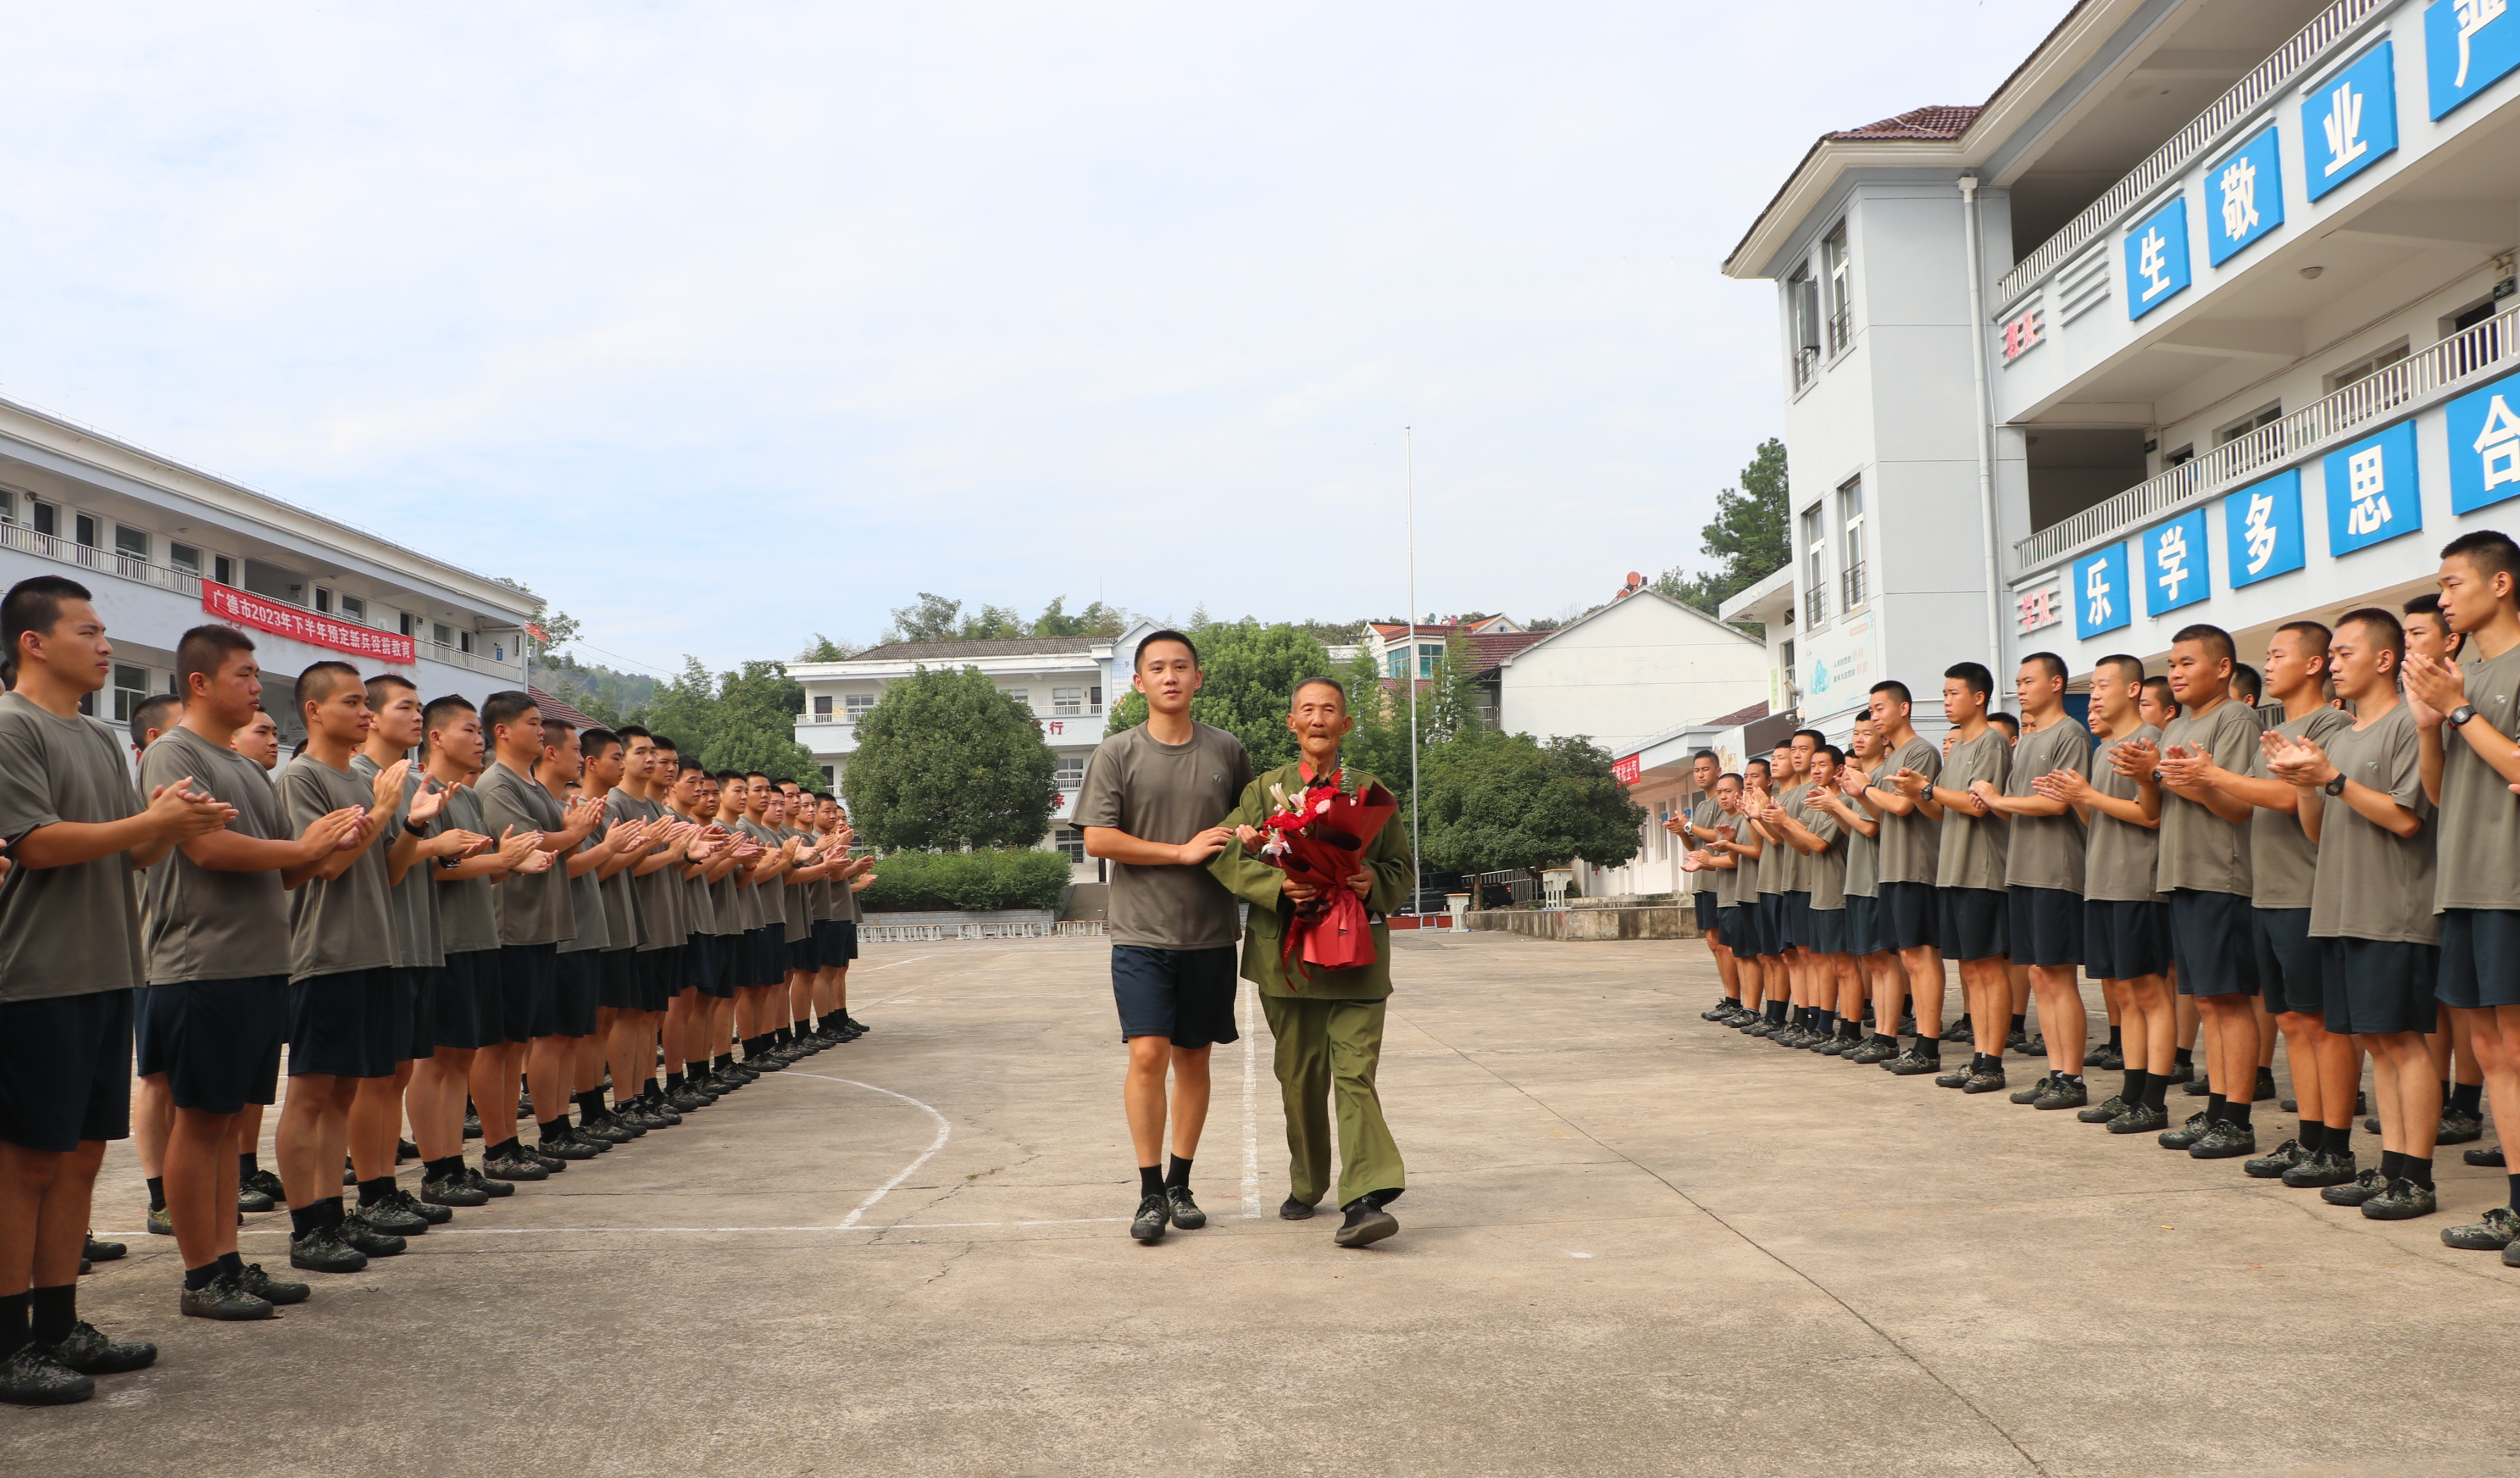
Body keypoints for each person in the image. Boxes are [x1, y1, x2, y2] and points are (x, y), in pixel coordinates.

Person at [0, 578, 232, 1403]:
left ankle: (60, 1323)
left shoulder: (100, 739)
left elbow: (128, 853)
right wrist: (150, 825)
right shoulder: (12, 726)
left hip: (106, 969)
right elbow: (34, 844)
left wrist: (168, 825)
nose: (105, 646)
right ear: (33, 642)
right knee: (26, 1161)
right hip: (37, 975)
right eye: (88, 631)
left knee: (81, 1158)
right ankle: (10, 1341)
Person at [141, 627, 354, 1320]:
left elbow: (286, 871)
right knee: (201, 1123)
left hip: (260, 964)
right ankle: (201, 1274)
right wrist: (303, 845)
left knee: (229, 1125)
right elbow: (206, 849)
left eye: (258, 675)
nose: (258, 687)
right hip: (204, 965)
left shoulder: (247, 769)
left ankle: (229, 1261)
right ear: (200, 683)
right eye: (244, 674)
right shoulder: (174, 752)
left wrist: (325, 846)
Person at [1211, 676, 1412, 1247]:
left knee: (1354, 1076)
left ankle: (1365, 1198)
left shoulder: (1370, 793)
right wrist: (1275, 884)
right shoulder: (1265, 791)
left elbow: (1401, 870)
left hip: (1357, 962)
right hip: (1288, 962)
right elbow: (1221, 849)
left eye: (1329, 710)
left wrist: (1372, 880)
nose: (1318, 718)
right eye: (1307, 710)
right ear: (1292, 723)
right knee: (1299, 1081)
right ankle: (1308, 1181)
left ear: (1345, 725)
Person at [1075, 630, 1254, 1244]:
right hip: (1140, 932)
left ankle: (1181, 1184)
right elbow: (1098, 838)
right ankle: (1149, 1192)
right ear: (1138, 682)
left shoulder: (1227, 750)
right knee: (1148, 1054)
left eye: (1181, 666)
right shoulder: (1116, 753)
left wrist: (1251, 839)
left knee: (1194, 1057)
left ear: (1198, 678)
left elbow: (1249, 825)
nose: (1170, 676)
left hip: (1209, 931)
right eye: (1157, 668)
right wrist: (1180, 852)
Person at [2162, 625, 2356, 1182]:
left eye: (2277, 655)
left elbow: (2292, 797)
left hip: (2305, 889)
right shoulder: (2275, 729)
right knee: (2292, 1021)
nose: (2267, 665)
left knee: (2320, 1024)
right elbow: (2243, 801)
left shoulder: (2329, 724)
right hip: (2268, 891)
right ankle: (2308, 1138)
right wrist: (2201, 779)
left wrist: (2212, 775)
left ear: (2314, 664)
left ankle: (2333, 1146)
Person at [2269, 608, 2437, 1220]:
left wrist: (2332, 778)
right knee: (2377, 1042)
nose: (2335, 664)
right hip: (2340, 908)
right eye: (2333, 654)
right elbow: (2317, 831)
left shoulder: (2406, 724)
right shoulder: (2340, 736)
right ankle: (2391, 1165)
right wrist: (2305, 781)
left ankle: (2416, 1176)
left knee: (2404, 1042)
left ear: (2385, 659)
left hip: (2392, 910)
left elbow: (2406, 818)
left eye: (2345, 653)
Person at [275, 660, 437, 1269]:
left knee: (343, 1093)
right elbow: (325, 865)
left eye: (367, 702)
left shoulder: (361, 782)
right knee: (311, 1094)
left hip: (373, 950)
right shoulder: (302, 778)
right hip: (327, 952)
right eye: (352, 702)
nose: (365, 712)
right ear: (314, 711)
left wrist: (409, 823)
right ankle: (306, 1228)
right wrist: (384, 808)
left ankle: (332, 1214)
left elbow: (387, 872)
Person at [2403, 531, 2520, 1261]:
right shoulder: (2461, 677)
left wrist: (2458, 711)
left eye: (2453, 584)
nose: (2443, 600)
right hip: (2466, 882)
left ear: (2500, 583)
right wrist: (2429, 726)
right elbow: (2444, 794)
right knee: (2490, 1048)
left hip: (2511, 882)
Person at [347, 675, 484, 1238]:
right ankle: (373, 1191)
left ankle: (390, 1184)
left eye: (419, 708)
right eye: (405, 707)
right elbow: (384, 864)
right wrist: (430, 841)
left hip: (418, 940)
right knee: (375, 1077)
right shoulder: (359, 777)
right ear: (373, 718)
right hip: (382, 944)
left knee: (399, 1071)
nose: (417, 717)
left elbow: (417, 858)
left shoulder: (413, 782)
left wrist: (437, 844)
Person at [2140, 625, 2267, 1159]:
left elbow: (2236, 803)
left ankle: (2237, 1118)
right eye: (2172, 663)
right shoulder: (2176, 727)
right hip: (2182, 874)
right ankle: (2217, 1107)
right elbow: (2154, 810)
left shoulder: (2235, 717)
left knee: (2229, 1000)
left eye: (2188, 662)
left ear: (2222, 668)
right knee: (2208, 1002)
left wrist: (2164, 775)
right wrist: (2148, 776)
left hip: (2221, 874)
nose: (2176, 672)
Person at [2035, 654, 2173, 1134]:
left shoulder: (2151, 741)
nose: (2093, 695)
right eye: (2092, 687)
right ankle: (2132, 1091)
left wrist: (2088, 796)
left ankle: (2154, 1099)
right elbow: (2097, 819)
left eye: (2102, 685)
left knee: (2150, 993)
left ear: (2133, 689)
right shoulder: (2104, 748)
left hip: (2138, 882)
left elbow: (2150, 816)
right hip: (2103, 880)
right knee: (2124, 992)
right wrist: (2077, 797)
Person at [474, 692, 602, 1173]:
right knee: (502, 1046)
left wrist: (571, 832)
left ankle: (512, 1140)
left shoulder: (529, 784)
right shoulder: (497, 784)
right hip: (514, 927)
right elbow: (528, 841)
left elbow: (555, 840)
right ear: (503, 731)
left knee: (519, 1045)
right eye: (532, 723)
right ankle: (498, 1147)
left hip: (542, 926)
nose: (541, 731)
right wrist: (575, 833)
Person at [419, 694, 540, 1197]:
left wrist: (507, 863)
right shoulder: (420, 790)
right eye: (469, 730)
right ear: (436, 737)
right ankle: (436, 1170)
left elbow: (473, 869)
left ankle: (453, 1162)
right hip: (443, 939)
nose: (479, 739)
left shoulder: (466, 797)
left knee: (460, 1059)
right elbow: (434, 864)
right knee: (437, 1062)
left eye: (479, 731)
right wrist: (502, 861)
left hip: (476, 937)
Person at [1980, 654, 2090, 1109]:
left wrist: (1997, 800)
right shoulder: (2027, 741)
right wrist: (1999, 801)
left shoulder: (2069, 734)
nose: (2021, 689)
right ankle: (2056, 1072)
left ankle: (2073, 1077)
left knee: (2058, 975)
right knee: (2039, 975)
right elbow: (2021, 803)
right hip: (2023, 870)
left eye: (2029, 681)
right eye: (2018, 682)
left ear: (2057, 683)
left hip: (2055, 870)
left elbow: (2058, 804)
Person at [1922, 664, 2012, 1092]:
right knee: (1971, 971)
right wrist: (1918, 791)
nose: (1946, 701)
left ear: (1978, 697)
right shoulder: (1957, 748)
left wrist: (1928, 790)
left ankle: (1993, 1061)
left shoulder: (1991, 741)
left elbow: (1978, 804)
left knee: (1989, 969)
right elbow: (1940, 808)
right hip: (1953, 869)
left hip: (1981, 870)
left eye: (1953, 693)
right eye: (1944, 693)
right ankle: (1978, 1057)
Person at [1862, 681, 1947, 1075]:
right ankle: (1918, 1043)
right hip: (1893, 867)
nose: (1875, 716)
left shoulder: (1920, 751)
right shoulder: (1892, 757)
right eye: (1871, 710)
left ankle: (1928, 1045)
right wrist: (1860, 793)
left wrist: (1865, 787)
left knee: (1922, 955)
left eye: (1880, 708)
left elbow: (1902, 805)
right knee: (1909, 957)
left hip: (1917, 866)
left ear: (1904, 708)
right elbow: (1880, 814)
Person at [1768, 745, 1856, 1053]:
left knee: (1843, 966)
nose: (1816, 770)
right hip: (1818, 892)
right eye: (1813, 765)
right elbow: (1802, 845)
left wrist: (1786, 822)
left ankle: (1846, 1029)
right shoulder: (1815, 803)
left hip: (1835, 890)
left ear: (1838, 769)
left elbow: (1818, 844)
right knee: (1819, 961)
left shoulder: (1841, 802)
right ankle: (1820, 1023)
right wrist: (1778, 823)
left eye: (1822, 764)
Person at [1666, 750, 1732, 1020]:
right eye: (1696, 770)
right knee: (1713, 943)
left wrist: (1689, 826)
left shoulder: (1721, 802)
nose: (1700, 774)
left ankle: (1736, 999)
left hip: (1720, 879)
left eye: (1706, 769)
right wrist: (1681, 831)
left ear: (1718, 771)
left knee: (1725, 944)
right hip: (1702, 880)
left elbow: (1718, 836)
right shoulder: (1702, 805)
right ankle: (1729, 997)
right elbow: (1695, 844)